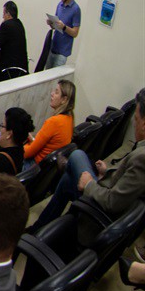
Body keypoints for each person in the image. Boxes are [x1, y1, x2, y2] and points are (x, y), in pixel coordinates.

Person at [32, 87, 144, 234]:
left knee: (77, 155)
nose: (134, 124)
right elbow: (130, 183)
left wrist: (90, 184)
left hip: (99, 215)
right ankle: (41, 228)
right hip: (105, 195)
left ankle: (69, 168)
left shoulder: (141, 158)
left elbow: (112, 203)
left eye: (136, 119)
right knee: (68, 179)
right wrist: (108, 172)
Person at [0, 0, 28, 80]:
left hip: (9, 70)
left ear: (8, 14)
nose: (3, 16)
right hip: (21, 69)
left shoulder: (6, 25)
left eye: (3, 13)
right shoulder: (19, 24)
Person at [47, 0, 80, 68]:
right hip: (53, 47)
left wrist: (64, 27)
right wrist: (51, 23)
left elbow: (75, 33)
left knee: (55, 78)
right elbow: (56, 26)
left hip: (62, 52)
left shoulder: (76, 9)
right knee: (46, 76)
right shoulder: (59, 5)